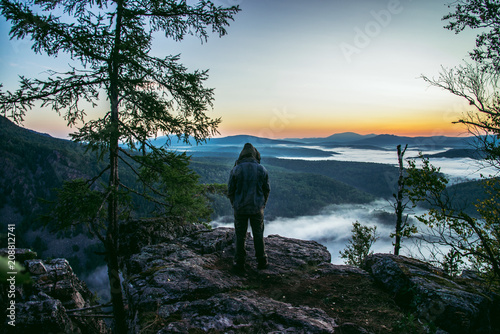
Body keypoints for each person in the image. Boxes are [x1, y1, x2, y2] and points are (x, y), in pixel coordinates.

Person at [227, 143, 270, 271]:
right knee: (258, 234)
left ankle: (239, 263)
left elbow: (230, 190)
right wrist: (263, 204)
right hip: (257, 208)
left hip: (240, 208)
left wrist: (234, 204)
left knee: (240, 235)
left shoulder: (236, 169)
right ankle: (262, 261)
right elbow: (266, 189)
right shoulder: (262, 169)